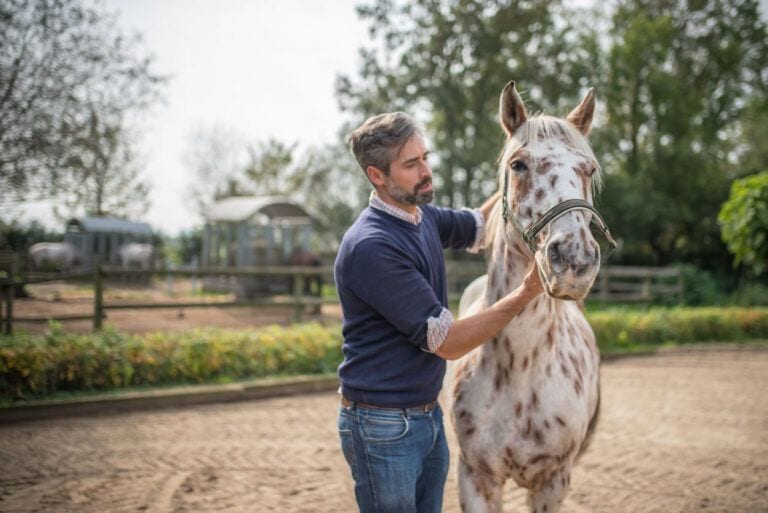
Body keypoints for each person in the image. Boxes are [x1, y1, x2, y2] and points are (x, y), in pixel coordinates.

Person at [334, 112, 544, 513]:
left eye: (424, 157)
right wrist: (525, 293)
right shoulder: (372, 246)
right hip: (382, 427)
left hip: (426, 417)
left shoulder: (421, 215)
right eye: (411, 165)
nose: (426, 171)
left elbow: (480, 227)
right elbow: (447, 343)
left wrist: (523, 170)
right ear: (377, 176)